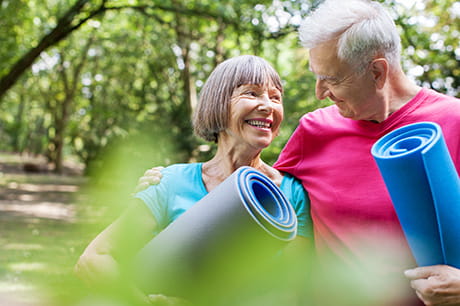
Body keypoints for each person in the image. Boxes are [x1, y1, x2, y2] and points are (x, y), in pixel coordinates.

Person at [139, 1, 460, 305]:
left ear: (377, 72)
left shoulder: (453, 123)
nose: (319, 93)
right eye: (316, 76)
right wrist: (163, 182)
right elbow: (249, 191)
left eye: (330, 79)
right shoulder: (314, 131)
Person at [74, 55, 313, 305]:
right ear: (218, 103)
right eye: (252, 93)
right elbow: (93, 260)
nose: (267, 105)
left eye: (275, 97)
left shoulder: (291, 195)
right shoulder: (169, 182)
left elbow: (293, 291)